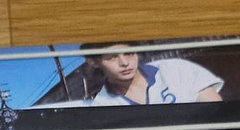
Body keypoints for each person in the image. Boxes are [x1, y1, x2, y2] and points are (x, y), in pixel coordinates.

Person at [81, 42, 223, 106]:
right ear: (93, 62)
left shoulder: (176, 69)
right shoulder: (103, 105)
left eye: (129, 53)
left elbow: (216, 112)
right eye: (112, 57)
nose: (124, 62)